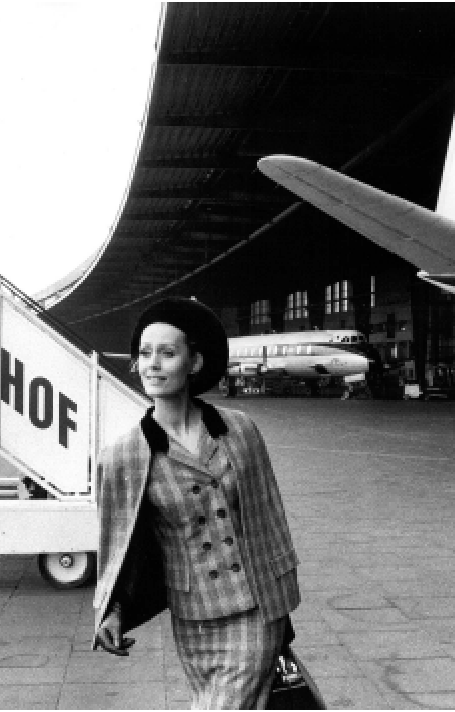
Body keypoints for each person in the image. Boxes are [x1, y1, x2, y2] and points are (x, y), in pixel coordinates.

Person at [92, 297, 300, 710]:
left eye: (167, 353)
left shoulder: (240, 429)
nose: (152, 364)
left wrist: (281, 593)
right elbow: (119, 542)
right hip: (195, 617)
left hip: (256, 609)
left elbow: (269, 514)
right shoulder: (123, 455)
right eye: (145, 354)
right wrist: (110, 609)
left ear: (195, 362)